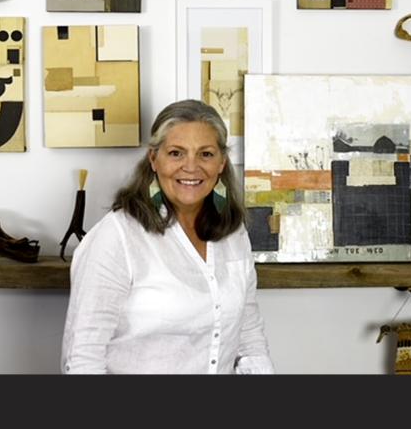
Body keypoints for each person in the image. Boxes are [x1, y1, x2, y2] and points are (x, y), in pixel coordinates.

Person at [61, 99, 275, 374]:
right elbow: (82, 356)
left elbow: (249, 337)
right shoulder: (117, 236)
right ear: (154, 158)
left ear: (222, 162)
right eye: (176, 153)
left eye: (205, 154)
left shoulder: (233, 233)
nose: (191, 167)